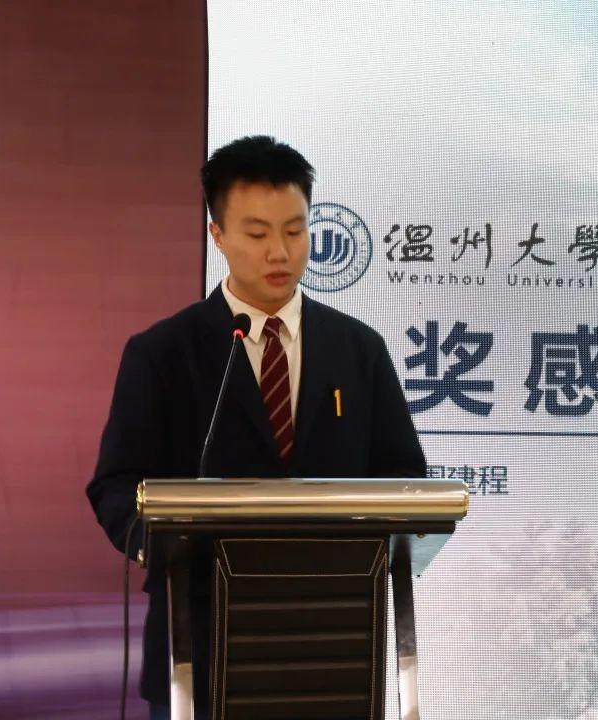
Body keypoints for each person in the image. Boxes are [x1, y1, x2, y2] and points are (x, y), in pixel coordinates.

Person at [86, 136, 425, 719]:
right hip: (198, 640)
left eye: (295, 231)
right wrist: (156, 542)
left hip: (333, 638)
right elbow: (115, 485)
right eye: (258, 233)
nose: (280, 252)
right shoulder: (163, 353)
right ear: (218, 235)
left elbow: (404, 477)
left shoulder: (357, 350)